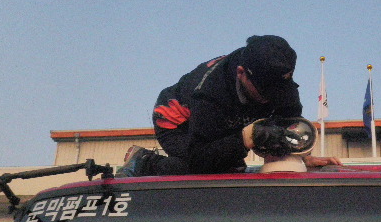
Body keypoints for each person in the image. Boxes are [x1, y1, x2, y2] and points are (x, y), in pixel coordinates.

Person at [117, 35, 341, 177]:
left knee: (233, 163)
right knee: (211, 169)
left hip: (229, 116)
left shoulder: (282, 85)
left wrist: (301, 157)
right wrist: (245, 138)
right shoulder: (210, 93)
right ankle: (143, 162)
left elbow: (286, 128)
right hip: (177, 121)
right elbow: (200, 155)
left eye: (278, 90)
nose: (270, 99)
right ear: (241, 73)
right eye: (264, 91)